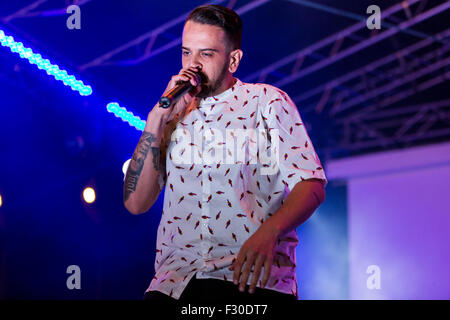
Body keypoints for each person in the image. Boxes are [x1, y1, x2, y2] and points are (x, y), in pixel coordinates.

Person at [123, 4, 327, 304]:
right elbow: (135, 203)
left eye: (205, 54)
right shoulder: (172, 115)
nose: (191, 65)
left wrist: (270, 231)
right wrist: (156, 119)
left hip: (247, 279)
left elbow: (311, 184)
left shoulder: (266, 102)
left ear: (233, 59)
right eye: (186, 52)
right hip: (174, 283)